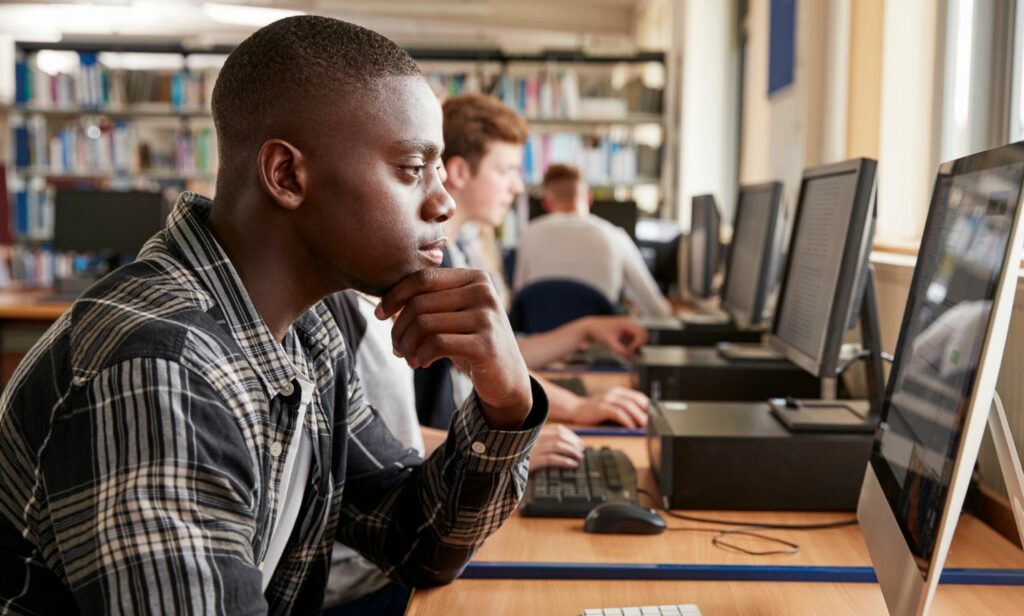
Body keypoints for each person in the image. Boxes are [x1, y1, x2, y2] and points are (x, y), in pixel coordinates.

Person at [0, 17, 548, 614]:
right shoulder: (160, 366)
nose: (442, 202)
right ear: (287, 175)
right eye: (412, 169)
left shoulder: (308, 334)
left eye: (439, 170)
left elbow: (414, 539)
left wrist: (507, 402)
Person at [323, 290, 583, 613]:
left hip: (391, 563)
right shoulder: (333, 318)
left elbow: (410, 525)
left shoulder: (340, 318)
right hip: (359, 584)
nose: (439, 239)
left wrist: (505, 416)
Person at [419, 93, 650, 431]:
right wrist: (577, 407)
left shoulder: (454, 250)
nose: (516, 186)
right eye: (506, 171)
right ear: (458, 171)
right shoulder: (434, 265)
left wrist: (584, 329)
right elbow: (487, 363)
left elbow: (499, 356)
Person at [515, 163, 673, 317]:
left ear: (546, 203)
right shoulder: (614, 235)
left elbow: (519, 298)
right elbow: (657, 309)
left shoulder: (528, 234)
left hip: (541, 341)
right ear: (589, 198)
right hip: (601, 341)